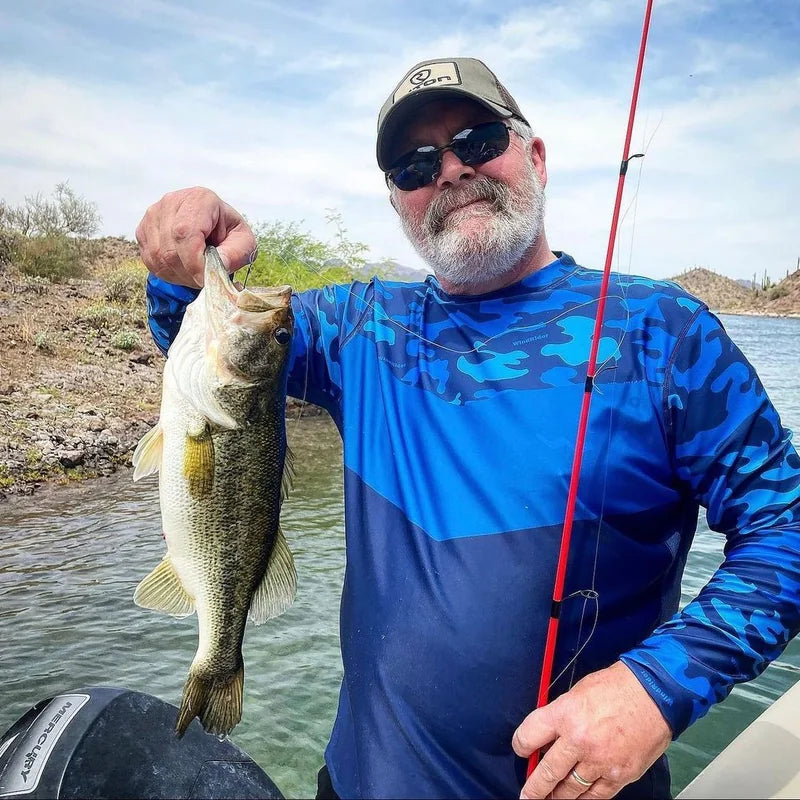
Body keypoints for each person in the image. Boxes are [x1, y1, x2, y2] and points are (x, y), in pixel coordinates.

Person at [136, 57, 800, 800]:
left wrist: (655, 689)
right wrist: (180, 260)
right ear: (397, 200)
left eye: (479, 141)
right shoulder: (361, 327)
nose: (449, 171)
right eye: (415, 164)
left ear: (535, 156)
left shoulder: (662, 332)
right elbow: (202, 352)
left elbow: (787, 527)